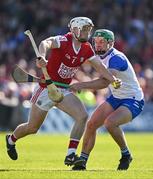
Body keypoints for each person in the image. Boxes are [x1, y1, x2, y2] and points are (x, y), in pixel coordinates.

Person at [5, 18, 121, 168]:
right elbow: (45, 43)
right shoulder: (64, 40)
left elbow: (99, 67)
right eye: (84, 29)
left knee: (82, 116)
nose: (87, 33)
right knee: (32, 128)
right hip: (45, 89)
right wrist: (42, 56)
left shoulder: (87, 48)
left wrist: (112, 79)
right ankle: (11, 140)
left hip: (63, 90)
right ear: (74, 30)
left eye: (88, 30)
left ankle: (70, 154)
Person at [70, 29, 144, 170]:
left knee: (110, 123)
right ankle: (82, 161)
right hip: (116, 98)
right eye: (96, 42)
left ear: (110, 43)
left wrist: (80, 85)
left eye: (102, 42)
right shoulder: (97, 56)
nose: (97, 45)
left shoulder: (116, 58)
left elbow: (105, 82)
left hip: (133, 99)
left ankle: (126, 154)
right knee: (91, 124)